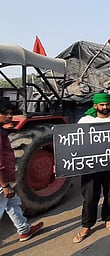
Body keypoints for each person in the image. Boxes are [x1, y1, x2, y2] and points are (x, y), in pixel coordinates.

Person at [74, 93, 110, 243]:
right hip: (91, 167)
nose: (105, 107)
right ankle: (87, 225)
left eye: (107, 104)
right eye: (101, 105)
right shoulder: (85, 121)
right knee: (90, 197)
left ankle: (108, 220)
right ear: (95, 106)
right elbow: (74, 143)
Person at [0, 97, 44, 242]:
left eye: (10, 113)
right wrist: (4, 185)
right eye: (5, 113)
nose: (9, 116)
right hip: (2, 181)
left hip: (7, 177)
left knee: (13, 202)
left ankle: (24, 230)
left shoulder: (2, 130)